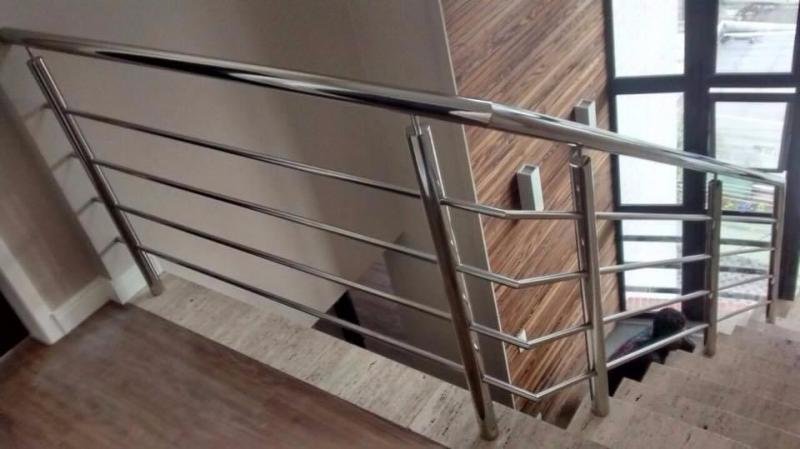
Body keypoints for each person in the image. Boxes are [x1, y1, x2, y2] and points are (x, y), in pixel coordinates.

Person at [607, 308, 696, 393]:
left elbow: (689, 345)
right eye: (680, 336)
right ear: (668, 338)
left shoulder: (655, 329)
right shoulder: (651, 359)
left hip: (610, 372)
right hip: (613, 389)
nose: (683, 338)